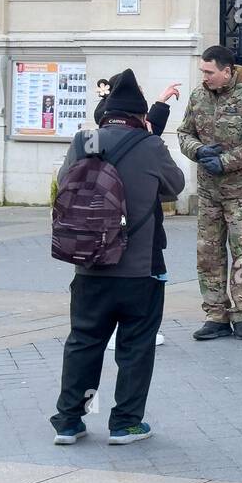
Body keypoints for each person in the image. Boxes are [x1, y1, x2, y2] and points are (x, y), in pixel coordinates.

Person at [49, 70, 185, 446]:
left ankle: (70, 421)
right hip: (141, 268)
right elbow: (174, 187)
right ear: (141, 116)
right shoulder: (149, 145)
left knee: (84, 341)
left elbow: (63, 185)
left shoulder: (82, 141)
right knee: (136, 346)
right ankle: (124, 423)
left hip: (89, 263)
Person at [177, 45, 242, 340]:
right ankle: (215, 314)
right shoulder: (198, 97)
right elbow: (184, 133)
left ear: (227, 71)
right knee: (208, 253)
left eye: (209, 72)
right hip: (209, 192)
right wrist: (199, 150)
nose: (205, 77)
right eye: (203, 72)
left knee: (241, 255)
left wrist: (226, 161)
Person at [94, 74, 182, 351]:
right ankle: (139, 330)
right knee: (147, 274)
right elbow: (174, 184)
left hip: (94, 227)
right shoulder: (145, 143)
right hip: (140, 225)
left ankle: (105, 331)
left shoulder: (88, 140)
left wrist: (160, 103)